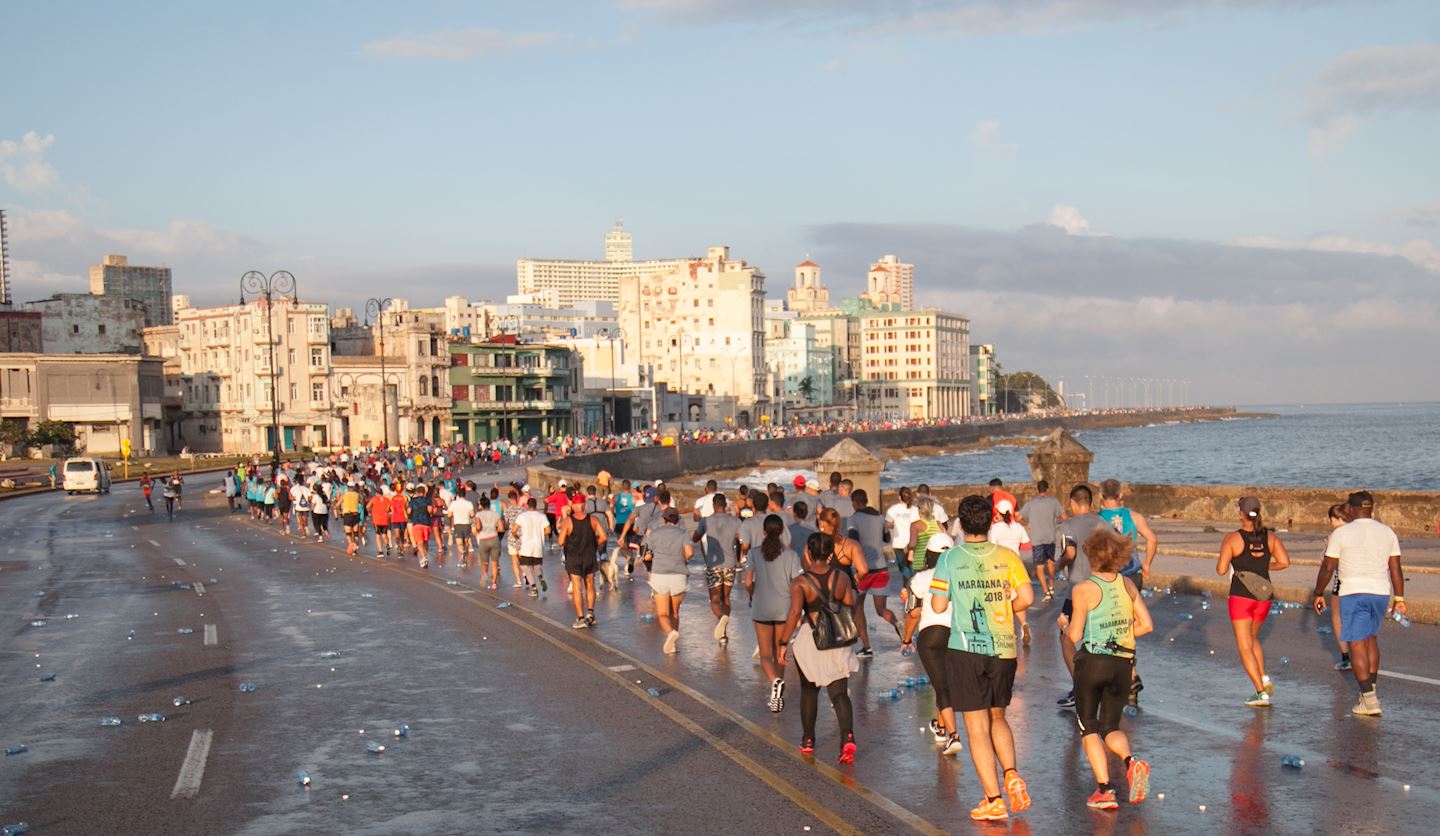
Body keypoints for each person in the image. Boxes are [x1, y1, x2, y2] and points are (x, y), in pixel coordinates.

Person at [929, 495, 1034, 822]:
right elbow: (1027, 598)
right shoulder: (1007, 557)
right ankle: (1012, 773)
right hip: (1003, 649)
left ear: (960, 523)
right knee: (998, 718)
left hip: (966, 650)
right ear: (990, 522)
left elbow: (937, 607)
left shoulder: (949, 559)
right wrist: (1003, 607)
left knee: (976, 728)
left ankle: (993, 798)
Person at [1066, 527, 1154, 810]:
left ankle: (1105, 789)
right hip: (1122, 663)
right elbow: (1146, 625)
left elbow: (1075, 634)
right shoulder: (1128, 585)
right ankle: (1131, 761)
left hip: (1093, 661)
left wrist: (1063, 626)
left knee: (1088, 727)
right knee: (1110, 727)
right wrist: (1119, 635)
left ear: (1090, 556)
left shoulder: (1084, 589)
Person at [1312, 491, 1405, 717]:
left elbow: (1328, 567)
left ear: (1351, 510)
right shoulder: (1387, 532)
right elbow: (1395, 568)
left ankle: (1370, 700)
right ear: (1371, 509)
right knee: (1370, 638)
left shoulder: (1342, 533)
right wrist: (1399, 598)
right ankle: (1369, 691)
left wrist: (1318, 592)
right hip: (1380, 593)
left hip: (1353, 592)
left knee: (1356, 643)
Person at [778, 533, 860, 764]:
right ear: (831, 554)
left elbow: (795, 614)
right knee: (839, 692)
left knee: (809, 691)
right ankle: (848, 737)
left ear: (808, 553)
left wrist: (783, 643)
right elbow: (849, 607)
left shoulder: (801, 582)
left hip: (812, 638)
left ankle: (808, 740)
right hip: (838, 638)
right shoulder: (842, 577)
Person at [1216, 496, 1291, 707]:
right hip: (1264, 596)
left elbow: (1221, 570)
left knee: (1244, 645)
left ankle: (1260, 692)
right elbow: (1285, 562)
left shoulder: (1233, 539)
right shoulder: (1271, 537)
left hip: (1241, 597)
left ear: (1241, 514)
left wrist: (1237, 562)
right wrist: (1263, 569)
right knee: (1252, 638)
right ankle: (1264, 679)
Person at [901, 529, 963, 756]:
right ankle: (940, 726)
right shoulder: (960, 575)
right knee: (943, 682)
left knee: (941, 684)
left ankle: (954, 735)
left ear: (929, 554)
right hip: (956, 635)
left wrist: (906, 639)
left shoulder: (919, 578)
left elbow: (914, 613)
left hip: (930, 635)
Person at [1097, 479, 1157, 705]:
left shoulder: (1098, 519)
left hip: (1109, 577)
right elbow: (1152, 539)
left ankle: (1127, 675)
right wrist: (1148, 563)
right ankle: (1130, 674)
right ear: (1121, 495)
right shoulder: (1134, 517)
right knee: (1130, 625)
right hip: (1133, 575)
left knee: (1110, 626)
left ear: (1101, 496)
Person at [1055, 483, 1108, 710]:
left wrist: (1057, 566)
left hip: (1078, 588)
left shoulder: (1068, 525)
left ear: (1073, 502)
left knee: (1067, 637)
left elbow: (1070, 553)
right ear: (1091, 502)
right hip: (1104, 588)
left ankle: (1080, 688)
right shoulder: (1104, 524)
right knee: (1097, 638)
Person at [745, 514, 804, 712]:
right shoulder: (791, 555)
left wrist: (752, 593)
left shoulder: (753, 553)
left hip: (761, 606)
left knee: (765, 655)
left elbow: (746, 581)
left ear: (763, 531)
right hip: (784, 608)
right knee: (781, 652)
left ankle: (775, 682)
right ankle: (777, 689)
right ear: (782, 531)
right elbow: (797, 583)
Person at [847, 489, 902, 650]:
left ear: (855, 503)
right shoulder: (879, 517)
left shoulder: (853, 519)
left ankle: (866, 646)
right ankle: (898, 624)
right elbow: (886, 538)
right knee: (881, 609)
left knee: (858, 607)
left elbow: (853, 542)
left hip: (862, 570)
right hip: (881, 569)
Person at [694, 493, 743, 645]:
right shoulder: (735, 521)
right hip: (730, 564)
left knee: (715, 599)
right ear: (725, 506)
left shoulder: (706, 521)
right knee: (726, 598)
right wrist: (739, 557)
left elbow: (695, 538)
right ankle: (724, 632)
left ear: (714, 506)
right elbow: (740, 539)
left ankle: (721, 622)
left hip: (713, 565)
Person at [644, 508, 693, 654]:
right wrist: (682, 560)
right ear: (677, 520)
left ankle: (671, 634)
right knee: (675, 613)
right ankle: (673, 644)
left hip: (660, 575)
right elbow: (690, 552)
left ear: (664, 519)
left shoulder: (654, 533)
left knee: (663, 614)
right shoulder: (683, 533)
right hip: (679, 574)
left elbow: (646, 556)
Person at [988, 498, 1033, 645]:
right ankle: (1024, 625)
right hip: (1016, 565)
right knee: (1018, 597)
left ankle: (1008, 630)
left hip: (1000, 567)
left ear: (998, 513)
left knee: (1003, 598)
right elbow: (1026, 544)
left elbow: (992, 548)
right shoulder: (1018, 527)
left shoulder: (995, 529)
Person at [558, 495, 605, 628]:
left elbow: (561, 541)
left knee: (577, 588)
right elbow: (604, 537)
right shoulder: (593, 519)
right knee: (590, 583)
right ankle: (590, 612)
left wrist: (569, 544)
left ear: (573, 505)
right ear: (584, 505)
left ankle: (580, 618)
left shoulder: (568, 521)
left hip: (573, 557)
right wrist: (595, 544)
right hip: (589, 556)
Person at [1020, 480, 1064, 601]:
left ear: (1037, 490)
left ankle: (1046, 592)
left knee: (1039, 566)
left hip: (1037, 539)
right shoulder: (1054, 501)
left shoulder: (1030, 503)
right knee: (1050, 562)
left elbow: (1018, 517)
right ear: (1047, 489)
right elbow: (1064, 517)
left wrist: (1027, 523)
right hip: (1050, 537)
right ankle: (1051, 586)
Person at [1322, 503, 1353, 671]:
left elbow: (1328, 564)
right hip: (1363, 579)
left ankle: (1346, 657)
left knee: (1338, 618)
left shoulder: (1336, 535)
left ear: (1336, 519)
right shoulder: (1358, 531)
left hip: (1342, 578)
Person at [514, 497, 551, 597]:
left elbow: (514, 530)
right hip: (538, 545)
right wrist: (539, 533)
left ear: (527, 505)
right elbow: (548, 530)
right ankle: (541, 577)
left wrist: (517, 536)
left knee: (525, 567)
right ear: (536, 506)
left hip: (526, 545)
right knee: (537, 566)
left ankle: (534, 588)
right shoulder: (542, 516)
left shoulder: (522, 516)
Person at [885, 487, 920, 583]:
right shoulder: (916, 510)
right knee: (911, 565)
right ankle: (910, 585)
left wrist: (892, 525)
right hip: (913, 542)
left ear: (899, 497)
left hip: (899, 543)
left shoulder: (893, 509)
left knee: (903, 567)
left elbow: (888, 524)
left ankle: (910, 583)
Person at [474, 495, 504, 589]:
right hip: (494, 538)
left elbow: (478, 527)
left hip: (484, 539)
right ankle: (494, 583)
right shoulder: (495, 514)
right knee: (494, 562)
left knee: (484, 562)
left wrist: (478, 530)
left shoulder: (478, 515)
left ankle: (485, 574)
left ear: (481, 506)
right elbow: (501, 528)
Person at [449, 488, 477, 568]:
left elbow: (449, 515)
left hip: (458, 524)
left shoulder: (454, 503)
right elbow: (472, 514)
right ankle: (465, 554)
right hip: (467, 524)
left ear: (457, 494)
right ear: (465, 494)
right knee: (467, 541)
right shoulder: (469, 503)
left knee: (459, 542)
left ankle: (462, 553)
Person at [407, 485, 433, 567]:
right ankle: (424, 557)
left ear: (417, 493)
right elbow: (430, 510)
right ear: (424, 492)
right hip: (426, 523)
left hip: (417, 523)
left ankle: (424, 558)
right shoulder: (428, 500)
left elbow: (408, 511)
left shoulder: (412, 501)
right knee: (425, 542)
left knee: (419, 542)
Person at [366, 489, 392, 558]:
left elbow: (367, 506)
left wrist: (370, 511)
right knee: (384, 534)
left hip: (377, 519)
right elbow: (390, 509)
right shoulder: (387, 500)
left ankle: (380, 551)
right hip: (385, 519)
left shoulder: (374, 499)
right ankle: (387, 545)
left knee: (378, 535)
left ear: (377, 493)